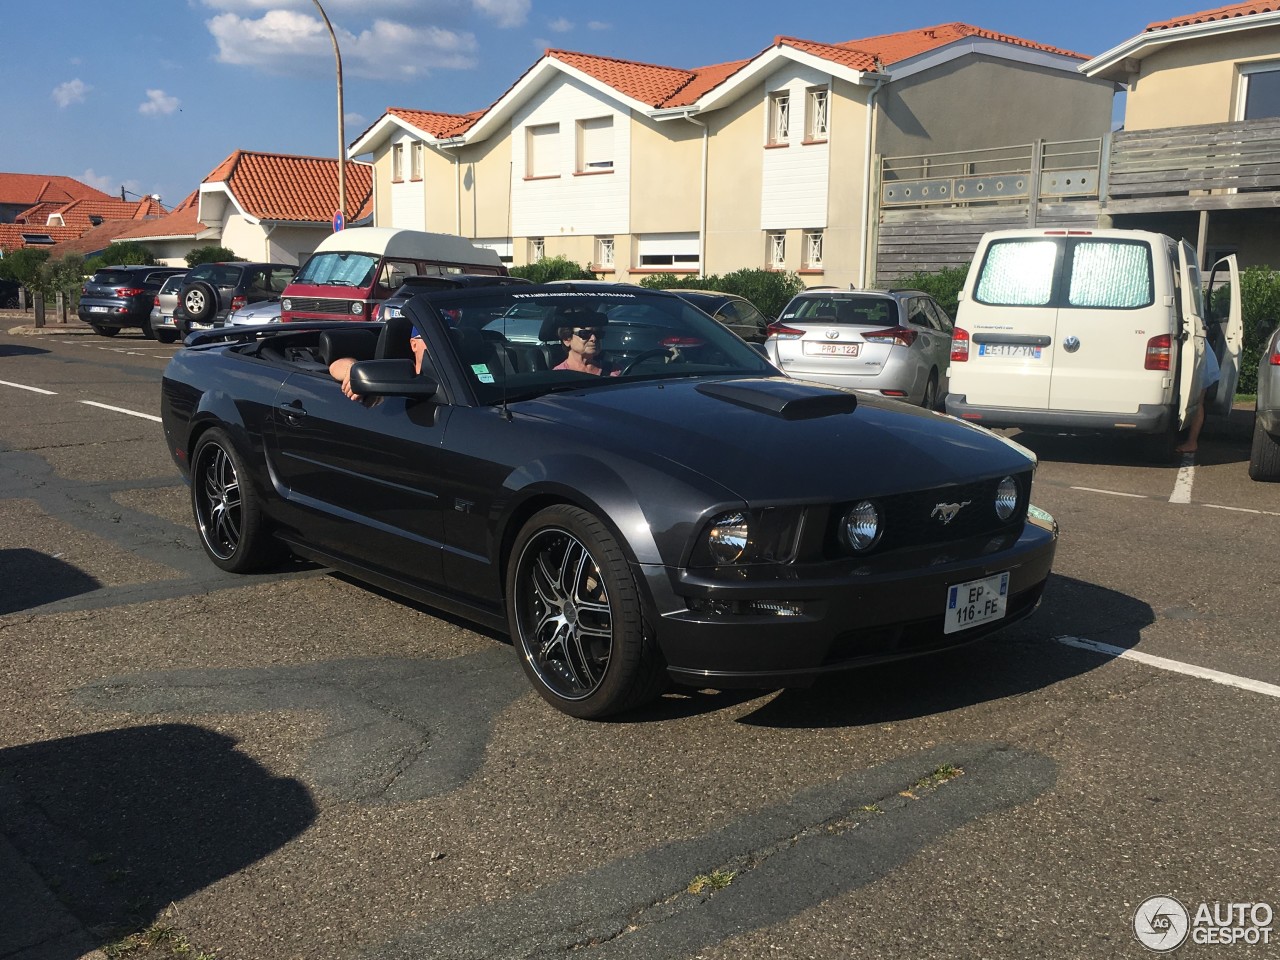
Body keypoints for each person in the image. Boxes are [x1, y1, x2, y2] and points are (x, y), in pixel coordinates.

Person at [329, 323, 427, 401]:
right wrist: (353, 370)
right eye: (429, 340)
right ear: (414, 345)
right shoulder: (395, 374)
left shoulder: (442, 375)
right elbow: (334, 367)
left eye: (443, 338)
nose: (439, 347)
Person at [1175, 344, 1221, 455]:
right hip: (1204, 362)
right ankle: (1191, 441)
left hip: (1203, 364)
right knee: (1198, 402)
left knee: (1198, 402)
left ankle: (1192, 442)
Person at [554, 312, 621, 377]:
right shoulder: (558, 376)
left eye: (598, 334)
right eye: (584, 334)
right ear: (567, 339)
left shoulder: (613, 371)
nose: (593, 338)